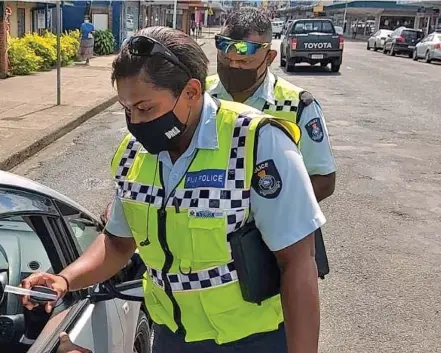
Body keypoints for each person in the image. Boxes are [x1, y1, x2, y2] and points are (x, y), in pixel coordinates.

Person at [22, 26, 324, 353]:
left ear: (192, 92)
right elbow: (118, 244)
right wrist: (64, 280)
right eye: (126, 109)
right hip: (171, 337)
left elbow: (297, 262)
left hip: (253, 340)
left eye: (146, 108)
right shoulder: (131, 154)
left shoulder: (256, 143)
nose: (135, 122)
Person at [206, 7, 336, 265]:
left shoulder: (298, 106)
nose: (233, 67)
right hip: (204, 234)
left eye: (243, 62)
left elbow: (323, 179)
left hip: (266, 245)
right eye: (226, 60)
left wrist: (261, 213)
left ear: (270, 57)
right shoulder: (200, 97)